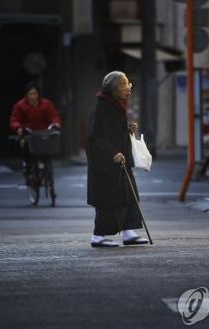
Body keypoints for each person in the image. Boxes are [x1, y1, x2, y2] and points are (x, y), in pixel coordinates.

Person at [86, 71, 149, 247]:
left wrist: (127, 128)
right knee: (108, 200)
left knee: (128, 195)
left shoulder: (115, 104)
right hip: (107, 163)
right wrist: (111, 154)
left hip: (119, 161)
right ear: (114, 89)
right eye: (124, 84)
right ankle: (98, 236)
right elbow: (95, 137)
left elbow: (112, 130)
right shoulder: (102, 107)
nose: (129, 88)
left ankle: (129, 232)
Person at [9, 82, 61, 182]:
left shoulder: (46, 104)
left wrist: (56, 124)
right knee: (26, 148)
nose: (33, 96)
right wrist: (18, 128)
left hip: (43, 133)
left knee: (47, 148)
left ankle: (46, 172)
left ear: (38, 94)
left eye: (35, 94)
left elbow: (54, 116)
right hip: (28, 133)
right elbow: (14, 119)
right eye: (30, 94)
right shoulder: (20, 106)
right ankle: (28, 169)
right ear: (26, 95)